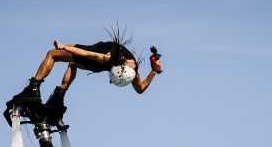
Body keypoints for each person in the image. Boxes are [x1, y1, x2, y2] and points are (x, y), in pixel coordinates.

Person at [10, 37, 163, 108]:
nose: (130, 62)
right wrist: (154, 71)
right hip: (94, 59)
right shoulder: (133, 71)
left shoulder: (107, 58)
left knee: (52, 54)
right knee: (72, 63)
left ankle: (33, 89)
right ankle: (58, 97)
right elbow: (140, 89)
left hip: (93, 55)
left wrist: (64, 47)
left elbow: (88, 55)